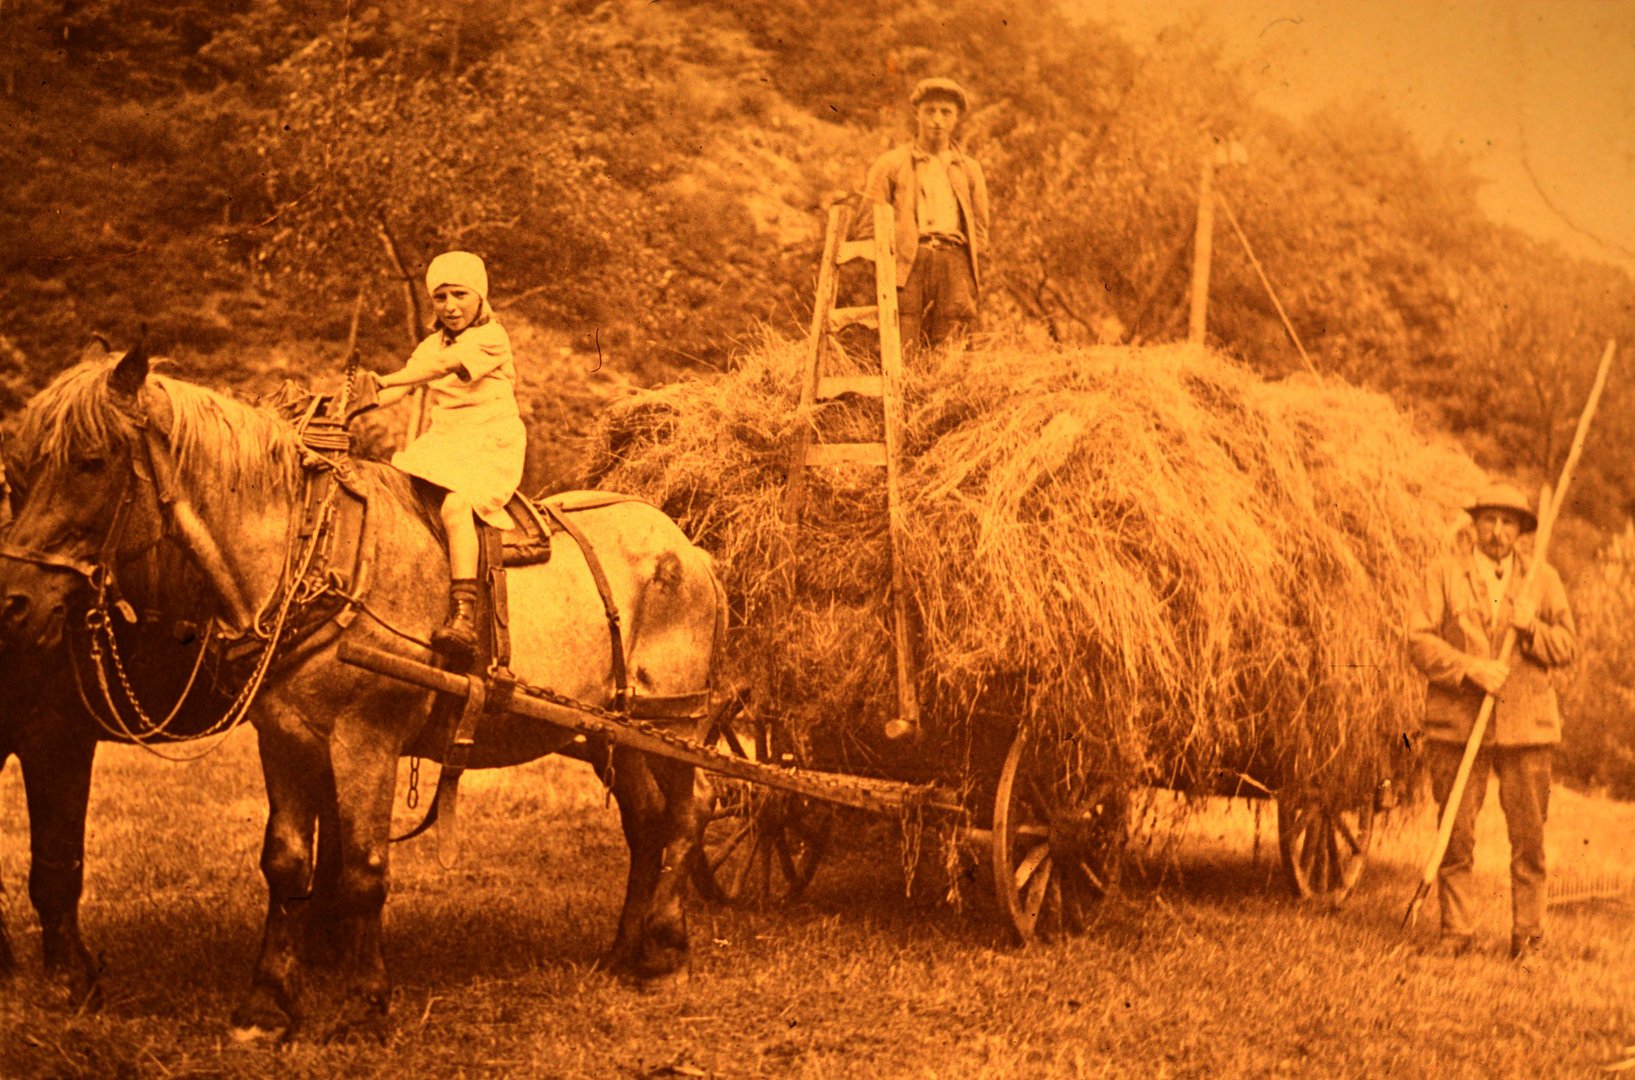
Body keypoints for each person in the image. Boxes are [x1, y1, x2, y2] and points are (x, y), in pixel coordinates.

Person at [1407, 482, 1577, 962]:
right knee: (1455, 834)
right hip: (1459, 726)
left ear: (1523, 531)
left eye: (1509, 523)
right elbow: (1417, 640)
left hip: (1526, 729)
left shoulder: (1542, 580)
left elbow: (1567, 646)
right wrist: (1469, 668)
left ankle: (1528, 938)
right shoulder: (1443, 574)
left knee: (1529, 840)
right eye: (1490, 521)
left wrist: (1532, 630)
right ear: (1474, 525)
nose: (1498, 532)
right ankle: (1455, 932)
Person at [367, 250, 526, 660]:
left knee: (456, 507)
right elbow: (397, 390)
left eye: (460, 294)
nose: (450, 306)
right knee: (397, 496)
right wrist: (350, 402)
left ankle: (463, 615)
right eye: (440, 297)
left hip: (489, 444)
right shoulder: (431, 344)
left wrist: (384, 378)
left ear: (480, 298)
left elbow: (438, 370)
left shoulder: (491, 337)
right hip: (446, 442)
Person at [862, 76, 990, 356]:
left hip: (954, 263)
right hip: (909, 264)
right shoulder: (890, 164)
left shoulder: (969, 169)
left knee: (950, 352)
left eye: (946, 112)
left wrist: (967, 274)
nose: (937, 120)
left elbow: (980, 231)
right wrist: (890, 266)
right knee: (901, 347)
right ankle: (901, 399)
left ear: (956, 118)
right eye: (930, 110)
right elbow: (868, 226)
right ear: (916, 113)